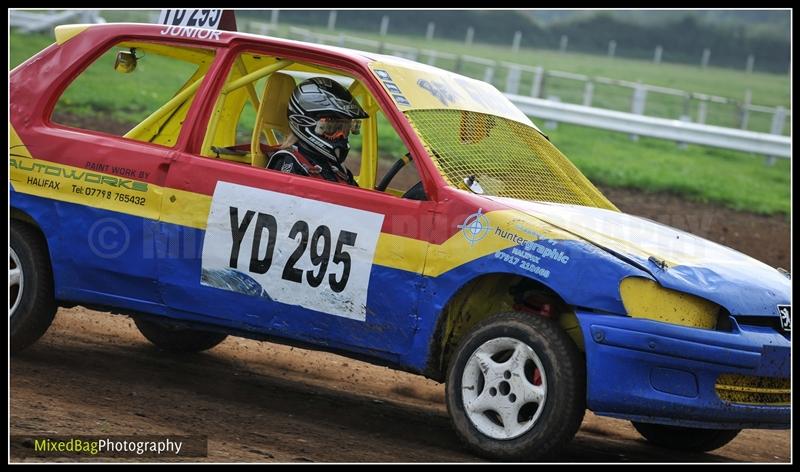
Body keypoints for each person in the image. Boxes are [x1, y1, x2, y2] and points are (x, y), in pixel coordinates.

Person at [267, 77, 369, 186]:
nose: (341, 136)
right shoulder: (289, 162)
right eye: (332, 128)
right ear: (304, 122)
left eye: (346, 129)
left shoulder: (335, 167)